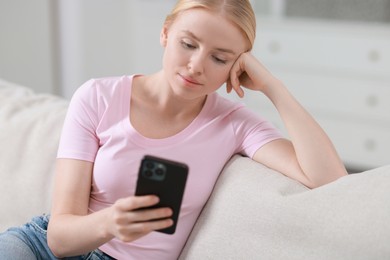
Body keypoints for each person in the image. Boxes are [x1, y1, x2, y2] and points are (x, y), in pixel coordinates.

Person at [0, 0, 348, 259]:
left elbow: (330, 179)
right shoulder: (97, 97)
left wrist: (273, 86)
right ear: (166, 33)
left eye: (220, 58)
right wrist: (110, 223)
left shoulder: (235, 124)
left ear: (238, 66)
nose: (196, 66)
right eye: (189, 43)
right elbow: (59, 237)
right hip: (41, 248)